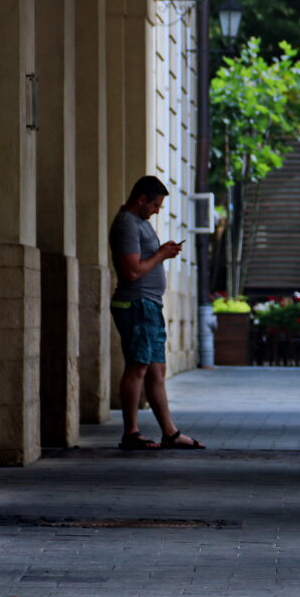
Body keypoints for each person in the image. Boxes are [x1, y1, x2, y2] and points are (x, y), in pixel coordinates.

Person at [109, 175, 205, 450]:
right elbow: (131, 271)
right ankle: (131, 433)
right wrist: (162, 255)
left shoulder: (140, 223)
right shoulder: (127, 224)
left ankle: (170, 433)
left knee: (156, 370)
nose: (157, 210)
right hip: (136, 304)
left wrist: (163, 252)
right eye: (156, 205)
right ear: (142, 199)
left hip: (149, 305)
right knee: (138, 367)